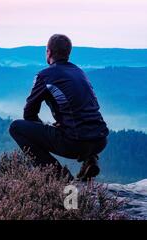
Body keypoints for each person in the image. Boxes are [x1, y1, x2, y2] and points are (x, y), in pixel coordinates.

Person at [9, 34, 109, 181]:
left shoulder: (45, 76)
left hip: (75, 143)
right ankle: (90, 161)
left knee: (16, 128)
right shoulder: (79, 72)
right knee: (79, 125)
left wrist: (45, 129)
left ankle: (60, 178)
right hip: (100, 140)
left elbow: (29, 113)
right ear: (68, 53)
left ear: (48, 52)